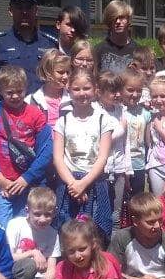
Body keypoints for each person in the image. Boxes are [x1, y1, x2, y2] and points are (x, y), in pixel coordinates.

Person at [0, 66, 53, 226]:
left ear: (26, 88)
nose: (15, 96)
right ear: (0, 90)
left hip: (29, 182)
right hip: (1, 182)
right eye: (9, 92)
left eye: (19, 91)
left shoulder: (36, 114)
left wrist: (27, 178)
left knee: (27, 227)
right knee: (3, 227)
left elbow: (46, 150)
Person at [52, 69, 115, 240]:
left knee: (94, 233)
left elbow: (102, 157)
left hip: (94, 181)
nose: (82, 93)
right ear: (69, 90)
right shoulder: (63, 121)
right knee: (68, 232)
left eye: (86, 88)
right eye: (76, 89)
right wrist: (74, 185)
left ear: (95, 89)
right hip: (69, 183)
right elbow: (58, 158)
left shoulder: (104, 120)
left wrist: (84, 183)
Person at [0, 0, 59, 95]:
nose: (24, 12)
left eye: (29, 8)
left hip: (42, 103)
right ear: (10, 11)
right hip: (9, 104)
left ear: (36, 10)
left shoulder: (50, 43)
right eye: (19, 8)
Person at [6, 187, 61, 279]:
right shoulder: (15, 225)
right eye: (37, 214)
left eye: (47, 215)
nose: (42, 219)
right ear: (27, 210)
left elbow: (52, 267)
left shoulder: (53, 234)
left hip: (41, 277)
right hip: (18, 274)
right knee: (29, 265)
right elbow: (8, 257)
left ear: (54, 213)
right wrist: (33, 252)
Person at [96, 71, 132, 233]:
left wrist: (127, 170)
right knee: (101, 212)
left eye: (119, 90)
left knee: (116, 214)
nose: (118, 94)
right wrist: (120, 129)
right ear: (99, 92)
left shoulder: (121, 110)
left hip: (119, 168)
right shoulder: (94, 111)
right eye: (112, 91)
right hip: (102, 170)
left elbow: (126, 144)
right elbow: (100, 141)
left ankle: (114, 246)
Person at [121, 68, 152, 207]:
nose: (135, 94)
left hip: (139, 164)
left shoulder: (145, 113)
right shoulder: (117, 111)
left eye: (139, 91)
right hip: (121, 165)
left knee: (136, 203)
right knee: (120, 203)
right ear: (121, 89)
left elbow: (148, 141)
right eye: (130, 90)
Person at [25, 49, 72, 128]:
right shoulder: (31, 101)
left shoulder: (74, 99)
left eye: (67, 72)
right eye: (60, 72)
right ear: (47, 72)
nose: (65, 76)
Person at [95, 0, 137, 74]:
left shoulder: (138, 51)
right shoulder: (98, 50)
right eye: (114, 18)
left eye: (122, 17)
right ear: (109, 21)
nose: (118, 22)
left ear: (128, 20)